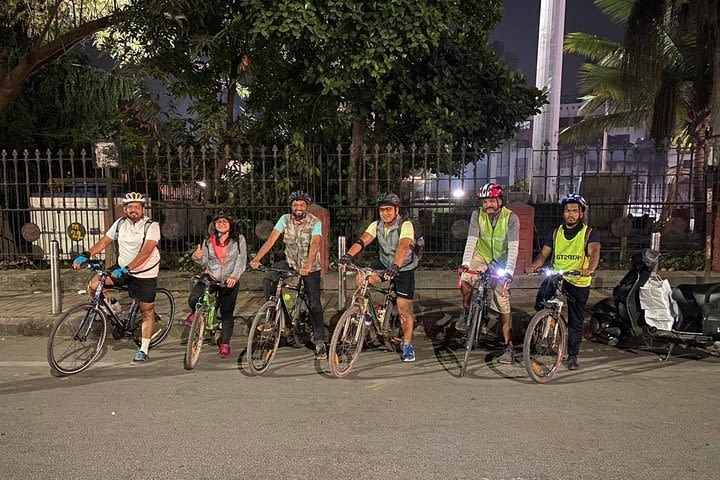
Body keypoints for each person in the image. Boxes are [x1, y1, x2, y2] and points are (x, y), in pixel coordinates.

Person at [72, 192, 160, 365]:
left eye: (137, 207)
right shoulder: (120, 223)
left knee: (146, 311)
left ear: (142, 208)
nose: (133, 210)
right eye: (130, 207)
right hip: (122, 268)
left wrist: (129, 268)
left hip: (144, 272)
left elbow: (147, 251)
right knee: (94, 285)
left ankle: (143, 349)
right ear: (125, 209)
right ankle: (115, 310)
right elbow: (105, 241)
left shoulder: (151, 225)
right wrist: (87, 254)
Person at [338, 192, 418, 362]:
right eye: (382, 210)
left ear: (397, 210)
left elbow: (403, 246)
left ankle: (407, 345)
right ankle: (364, 314)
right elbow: (363, 241)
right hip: (384, 263)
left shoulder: (405, 224)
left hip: (403, 268)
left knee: (404, 311)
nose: (385, 213)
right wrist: (348, 256)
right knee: (362, 277)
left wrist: (396, 266)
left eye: (389, 209)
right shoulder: (377, 225)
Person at [525, 193, 601, 370]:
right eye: (567, 211)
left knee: (576, 319)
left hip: (578, 280)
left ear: (581, 214)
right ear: (563, 213)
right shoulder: (555, 233)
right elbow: (544, 254)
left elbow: (595, 251)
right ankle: (543, 326)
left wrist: (590, 269)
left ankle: (573, 355)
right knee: (541, 300)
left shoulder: (589, 233)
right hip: (558, 275)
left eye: (575, 211)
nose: (571, 214)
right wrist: (534, 266)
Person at [249, 190, 328, 360]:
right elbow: (271, 240)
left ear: (306, 206)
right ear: (291, 206)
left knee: (314, 304)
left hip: (310, 266)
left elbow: (315, 244)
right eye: (295, 204)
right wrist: (257, 258)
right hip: (291, 263)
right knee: (269, 278)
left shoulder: (315, 222)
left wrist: (307, 264)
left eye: (302, 204)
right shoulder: (284, 220)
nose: (298, 207)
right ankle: (274, 311)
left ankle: (320, 341)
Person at [456, 182, 519, 364]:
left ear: (500, 200)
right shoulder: (478, 214)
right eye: (484, 202)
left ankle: (509, 347)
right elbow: (471, 240)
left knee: (502, 301)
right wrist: (466, 263)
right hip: (482, 255)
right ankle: (467, 310)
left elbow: (513, 249)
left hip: (501, 260)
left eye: (492, 201)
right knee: (465, 278)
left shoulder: (511, 218)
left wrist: (508, 272)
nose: (488, 205)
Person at [181, 211, 247, 359]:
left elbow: (241, 260)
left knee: (226, 313)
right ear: (214, 225)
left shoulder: (238, 239)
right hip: (211, 276)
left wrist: (234, 277)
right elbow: (204, 261)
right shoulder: (208, 240)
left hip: (229, 279)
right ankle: (196, 314)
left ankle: (225, 344)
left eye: (225, 222)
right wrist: (197, 257)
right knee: (194, 298)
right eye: (218, 222)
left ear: (230, 224)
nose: (221, 225)